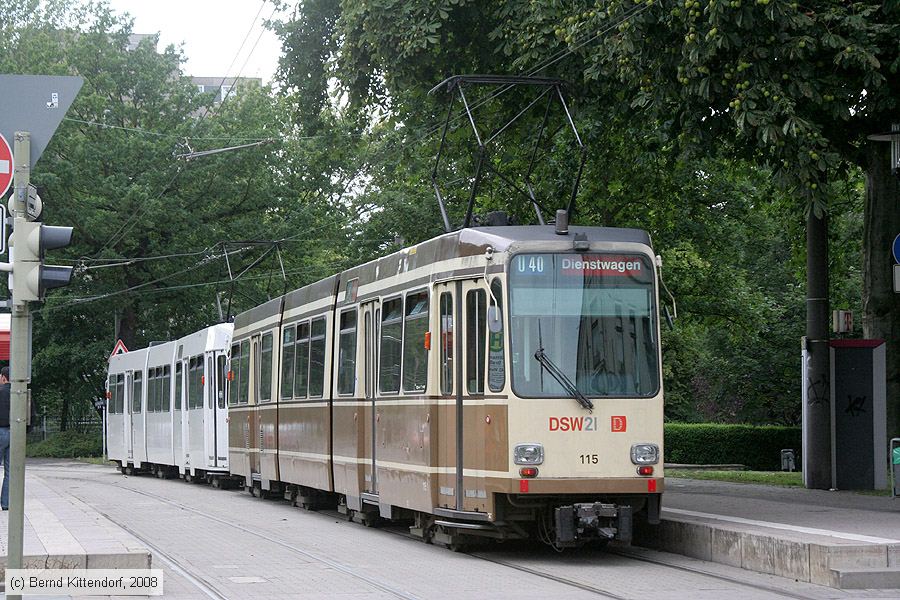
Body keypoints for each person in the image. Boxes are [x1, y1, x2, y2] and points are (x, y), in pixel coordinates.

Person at [0, 366, 10, 510]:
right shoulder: (22, 392)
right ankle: (6, 503)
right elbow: (32, 415)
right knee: (10, 471)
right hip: (16, 433)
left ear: (3, 377)